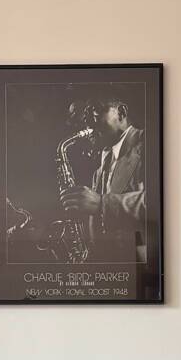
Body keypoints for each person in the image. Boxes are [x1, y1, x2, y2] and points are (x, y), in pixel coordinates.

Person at [60, 98, 146, 261]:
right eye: (84, 118)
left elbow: (161, 203)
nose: (87, 124)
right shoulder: (102, 163)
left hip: (141, 264)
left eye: (93, 111)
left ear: (121, 113)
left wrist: (102, 204)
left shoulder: (151, 142)